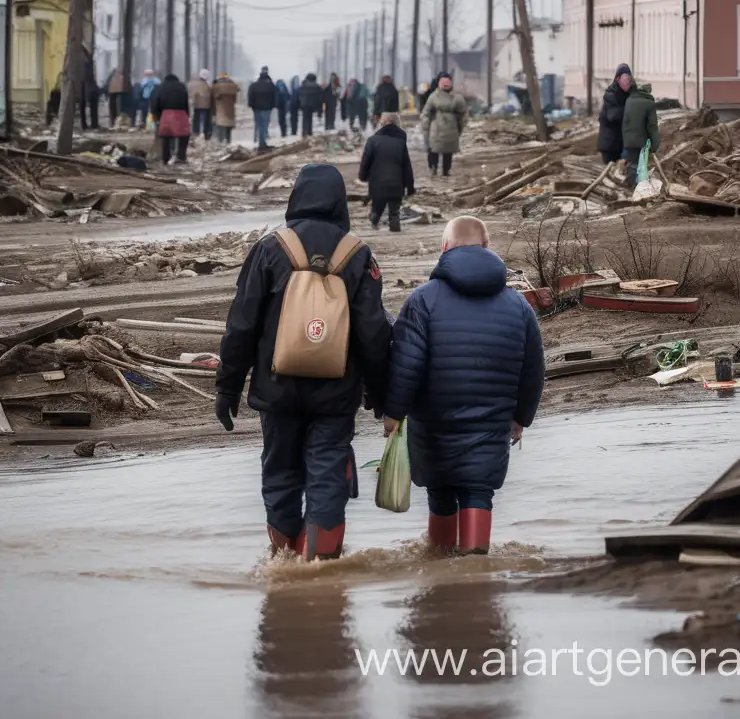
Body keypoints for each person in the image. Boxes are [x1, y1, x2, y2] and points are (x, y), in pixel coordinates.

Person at [216, 163, 393, 561]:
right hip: (336, 391)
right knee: (328, 471)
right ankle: (321, 567)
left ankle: (284, 565)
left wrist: (228, 387)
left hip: (276, 390)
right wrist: (381, 392)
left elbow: (241, 324)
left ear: (296, 196)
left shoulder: (269, 248)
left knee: (279, 472)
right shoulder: (358, 254)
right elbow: (374, 331)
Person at [382, 216, 545, 555]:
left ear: (445, 248)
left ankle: (439, 563)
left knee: (440, 491)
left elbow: (406, 363)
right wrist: (521, 418)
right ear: (487, 249)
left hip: (434, 424)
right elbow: (533, 370)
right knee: (478, 489)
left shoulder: (422, 300)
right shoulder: (518, 306)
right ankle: (476, 566)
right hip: (491, 422)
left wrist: (393, 413)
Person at [358, 112, 415, 232]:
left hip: (377, 183)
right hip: (397, 184)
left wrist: (362, 176)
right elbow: (407, 166)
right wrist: (410, 186)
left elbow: (366, 161)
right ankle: (395, 225)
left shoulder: (373, 140)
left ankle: (375, 218)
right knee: (394, 211)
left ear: (382, 124)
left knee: (377, 206)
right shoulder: (400, 143)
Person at [421, 73, 466, 179]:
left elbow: (463, 113)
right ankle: (433, 168)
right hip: (436, 126)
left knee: (448, 150)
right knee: (433, 149)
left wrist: (460, 125)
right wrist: (425, 125)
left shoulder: (457, 97)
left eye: (447, 82)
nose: (445, 84)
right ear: (438, 83)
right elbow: (426, 112)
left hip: (451, 127)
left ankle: (446, 170)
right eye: (443, 82)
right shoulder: (433, 97)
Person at [621, 80, 660, 188]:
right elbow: (652, 126)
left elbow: (624, 121)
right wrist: (655, 144)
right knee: (639, 164)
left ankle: (629, 184)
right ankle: (633, 187)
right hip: (641, 139)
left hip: (628, 138)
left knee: (632, 161)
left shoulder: (628, 101)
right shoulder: (649, 104)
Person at [149, 72, 192, 165]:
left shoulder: (160, 87)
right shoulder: (182, 87)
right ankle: (181, 156)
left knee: (166, 137)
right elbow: (186, 102)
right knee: (183, 136)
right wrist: (187, 115)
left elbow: (155, 102)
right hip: (181, 114)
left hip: (166, 114)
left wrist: (156, 116)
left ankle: (166, 158)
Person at [597, 64, 633, 165]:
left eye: (628, 79)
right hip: (610, 146)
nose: (626, 82)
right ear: (618, 79)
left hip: (623, 145)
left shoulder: (631, 95)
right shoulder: (610, 94)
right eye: (624, 79)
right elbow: (612, 116)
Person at [248, 66, 278, 151]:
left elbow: (250, 96)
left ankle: (259, 141)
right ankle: (262, 143)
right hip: (267, 108)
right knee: (264, 125)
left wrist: (251, 105)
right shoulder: (271, 85)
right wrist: (273, 105)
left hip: (256, 108)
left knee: (259, 124)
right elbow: (275, 96)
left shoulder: (254, 85)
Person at [211, 73, 240, 143]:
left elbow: (213, 97)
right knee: (228, 127)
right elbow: (235, 100)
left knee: (220, 126)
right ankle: (228, 140)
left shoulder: (216, 87)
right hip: (230, 110)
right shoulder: (233, 87)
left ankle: (220, 140)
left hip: (220, 109)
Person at [188, 68, 213, 139]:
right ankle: (206, 134)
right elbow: (211, 95)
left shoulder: (192, 83)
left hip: (195, 106)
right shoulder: (207, 85)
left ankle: (195, 134)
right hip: (206, 106)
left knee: (196, 121)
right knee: (206, 122)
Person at [79, 48, 100, 131]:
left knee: (83, 106)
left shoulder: (84, 61)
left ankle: (86, 125)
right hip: (86, 85)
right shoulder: (86, 62)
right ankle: (90, 124)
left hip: (85, 85)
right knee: (86, 106)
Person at [298, 73, 323, 137]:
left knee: (305, 118)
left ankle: (304, 132)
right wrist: (319, 108)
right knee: (310, 118)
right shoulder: (317, 86)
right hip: (312, 104)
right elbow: (320, 97)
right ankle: (309, 132)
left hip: (304, 104)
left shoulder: (302, 85)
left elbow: (299, 95)